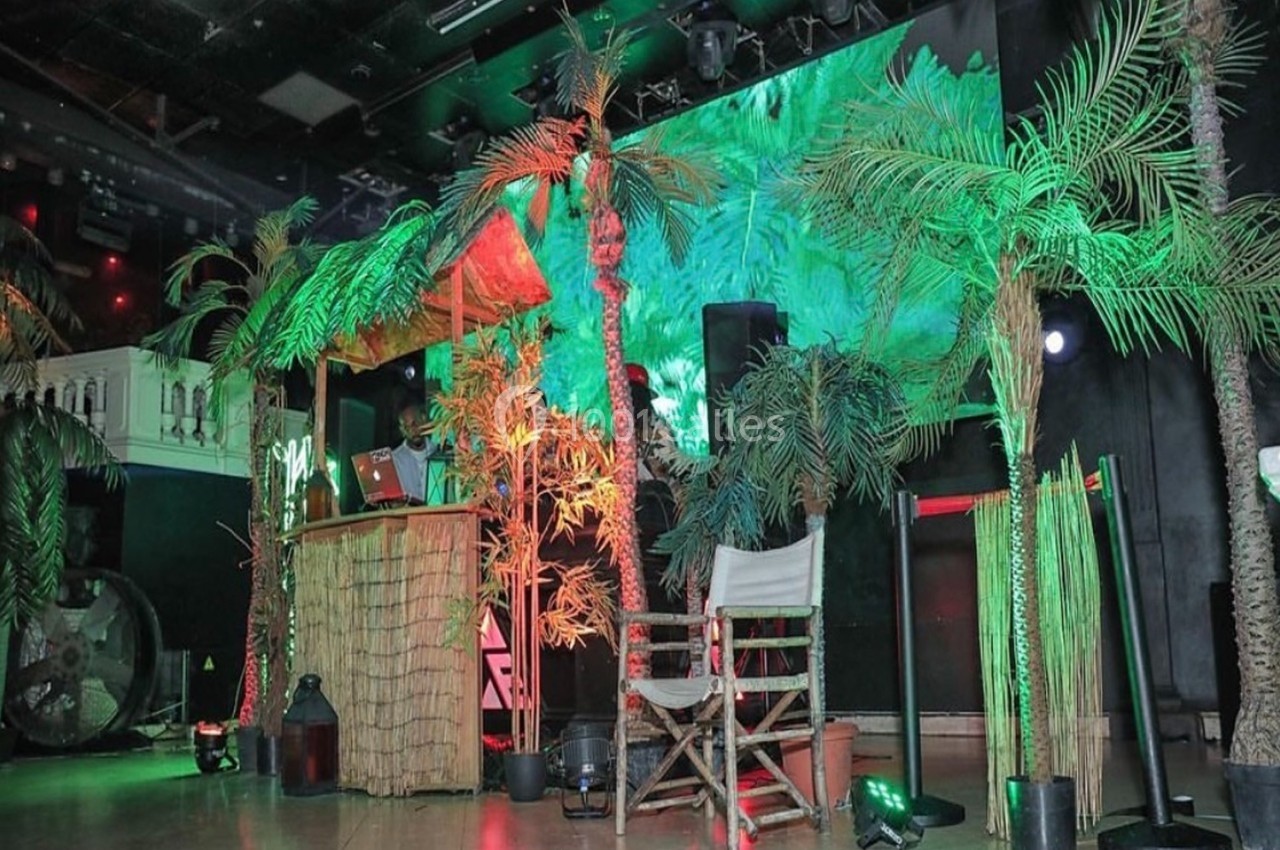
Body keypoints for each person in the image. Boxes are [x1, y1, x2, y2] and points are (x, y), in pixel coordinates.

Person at [390, 401, 435, 504]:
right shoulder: (394, 459)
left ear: (423, 420)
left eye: (415, 423)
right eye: (407, 427)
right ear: (402, 431)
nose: (413, 430)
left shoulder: (438, 452)